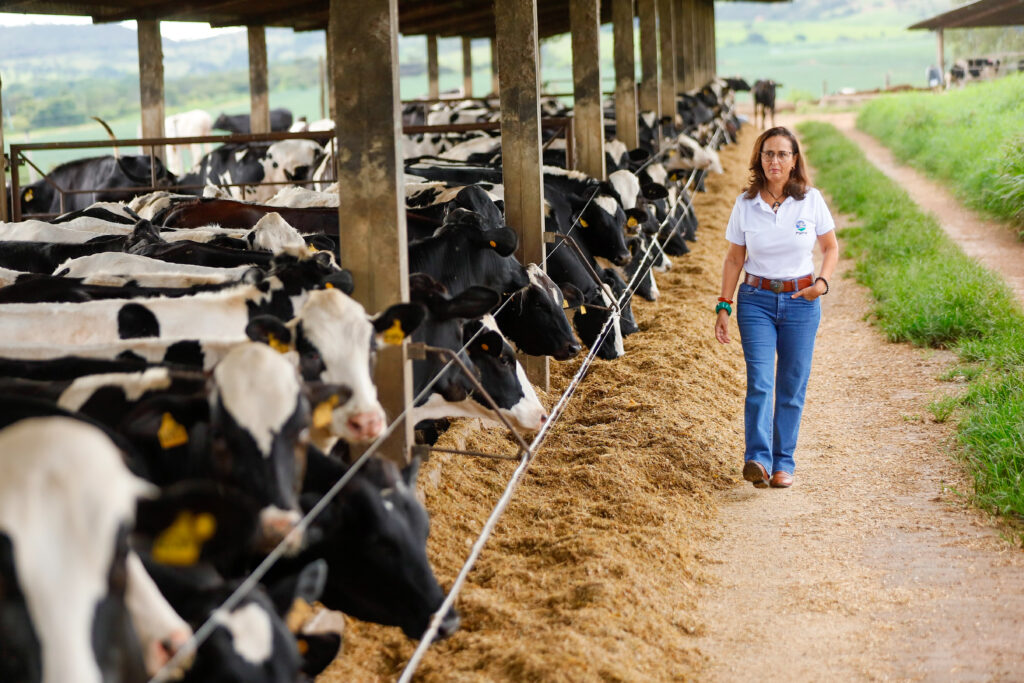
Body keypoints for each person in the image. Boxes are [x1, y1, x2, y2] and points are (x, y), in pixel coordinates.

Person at [714, 126, 839, 489]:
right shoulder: (745, 204)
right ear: (759, 159)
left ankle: (784, 463)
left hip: (802, 302)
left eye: (783, 154)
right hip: (756, 302)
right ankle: (757, 459)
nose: (775, 160)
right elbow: (734, 259)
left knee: (791, 384)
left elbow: (831, 247)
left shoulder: (811, 200)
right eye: (769, 154)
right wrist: (724, 304)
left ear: (794, 160)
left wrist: (822, 283)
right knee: (761, 382)